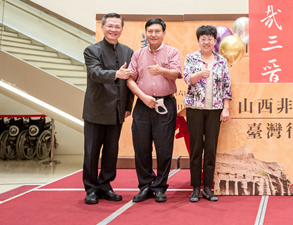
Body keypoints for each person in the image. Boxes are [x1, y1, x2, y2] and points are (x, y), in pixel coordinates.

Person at [127, 18, 182, 203]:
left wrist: (161, 71)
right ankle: (145, 186)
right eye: (150, 31)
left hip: (165, 105)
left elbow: (176, 73)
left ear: (164, 33)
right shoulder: (137, 54)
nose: (153, 34)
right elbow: (130, 79)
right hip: (143, 105)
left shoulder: (172, 52)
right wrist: (143, 97)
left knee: (164, 149)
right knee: (141, 148)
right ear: (146, 33)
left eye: (157, 31)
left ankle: (160, 187)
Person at [82, 13, 134, 205]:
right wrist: (116, 73)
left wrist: (128, 106)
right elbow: (94, 73)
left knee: (111, 152)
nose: (113, 30)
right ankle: (91, 189)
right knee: (91, 152)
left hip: (117, 111)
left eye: (117, 27)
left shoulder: (128, 52)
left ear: (121, 29)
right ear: (102, 28)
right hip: (96, 111)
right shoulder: (91, 50)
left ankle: (105, 186)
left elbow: (130, 81)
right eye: (110, 26)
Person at [183, 25, 231, 203]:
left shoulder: (221, 61)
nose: (206, 41)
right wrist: (199, 74)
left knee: (210, 149)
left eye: (210, 38)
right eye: (203, 38)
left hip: (215, 110)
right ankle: (195, 187)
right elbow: (187, 78)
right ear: (198, 41)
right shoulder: (191, 58)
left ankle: (208, 188)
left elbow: (227, 86)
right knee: (196, 149)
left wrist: (225, 108)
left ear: (214, 41)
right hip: (194, 109)